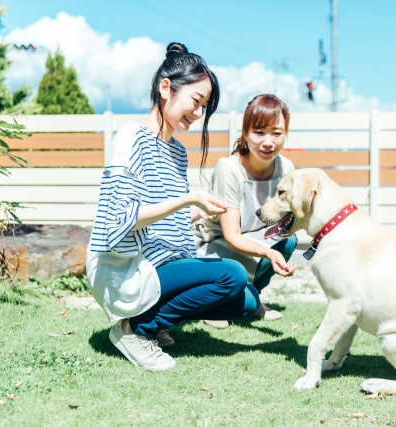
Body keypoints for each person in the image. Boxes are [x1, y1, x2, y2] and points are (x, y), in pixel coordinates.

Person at [86, 42, 260, 371]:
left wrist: (200, 210)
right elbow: (121, 219)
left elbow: (167, 215)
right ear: (166, 88)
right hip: (128, 267)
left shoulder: (178, 151)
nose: (198, 113)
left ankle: (154, 319)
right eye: (196, 101)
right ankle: (136, 330)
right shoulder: (131, 137)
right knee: (233, 274)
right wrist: (188, 198)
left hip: (164, 261)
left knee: (248, 301)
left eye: (204, 106)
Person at [194, 94, 297, 327]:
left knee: (288, 240)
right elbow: (231, 237)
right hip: (217, 246)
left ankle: (253, 295)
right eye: (259, 132)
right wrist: (269, 254)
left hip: (257, 238)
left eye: (276, 133)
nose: (268, 142)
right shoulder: (229, 169)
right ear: (245, 133)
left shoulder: (286, 167)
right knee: (272, 250)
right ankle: (211, 304)